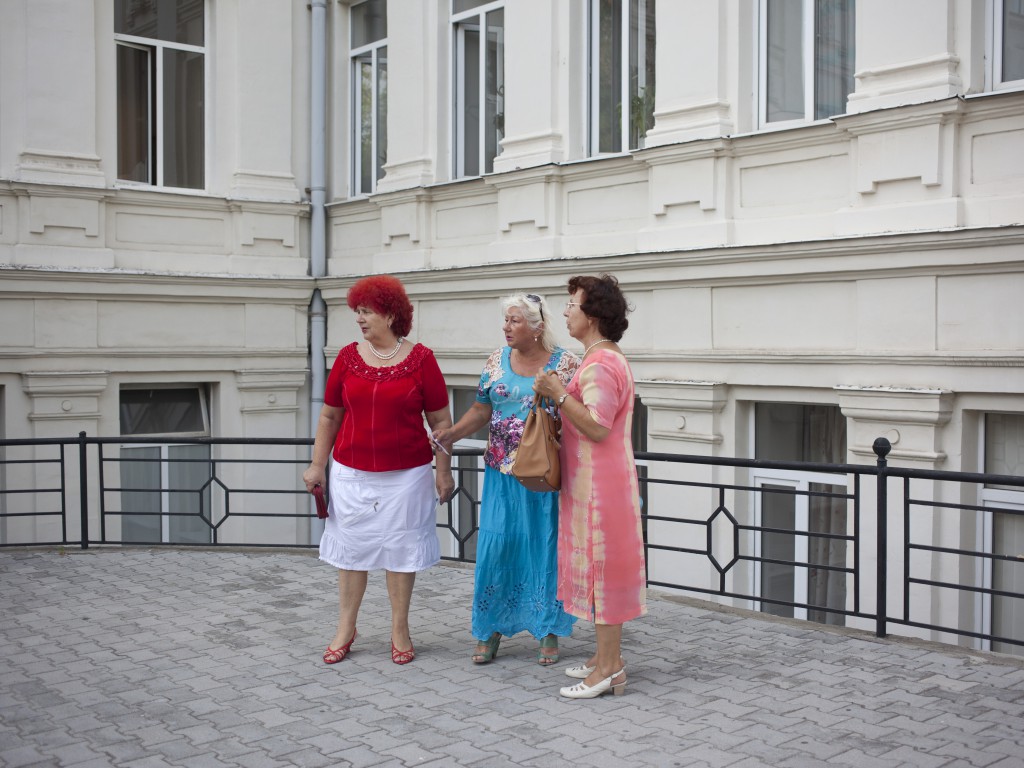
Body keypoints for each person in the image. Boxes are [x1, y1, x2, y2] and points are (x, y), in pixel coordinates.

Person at [302, 275, 454, 666]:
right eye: (358, 312)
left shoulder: (422, 359)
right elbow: (329, 415)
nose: (360, 319)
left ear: (389, 314)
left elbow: (440, 422)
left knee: (402, 551)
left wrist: (443, 470)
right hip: (351, 473)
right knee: (352, 552)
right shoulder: (347, 358)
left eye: (366, 311)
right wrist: (317, 464)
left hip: (408, 475)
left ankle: (399, 628)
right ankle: (345, 627)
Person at [432, 293, 579, 666]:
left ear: (537, 327)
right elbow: (482, 409)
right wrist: (450, 434)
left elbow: (577, 417)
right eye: (506, 320)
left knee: (543, 548)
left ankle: (547, 629)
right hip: (501, 474)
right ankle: (490, 628)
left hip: (544, 476)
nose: (506, 327)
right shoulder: (496, 361)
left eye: (514, 321)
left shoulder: (565, 365)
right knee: (497, 549)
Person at [533, 274, 647, 699]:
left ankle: (608, 671)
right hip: (597, 486)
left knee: (603, 575)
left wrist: (558, 393)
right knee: (599, 572)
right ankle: (605, 661)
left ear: (594, 315)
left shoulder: (601, 363)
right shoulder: (602, 357)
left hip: (601, 489)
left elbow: (598, 426)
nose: (565, 312)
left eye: (572, 305)